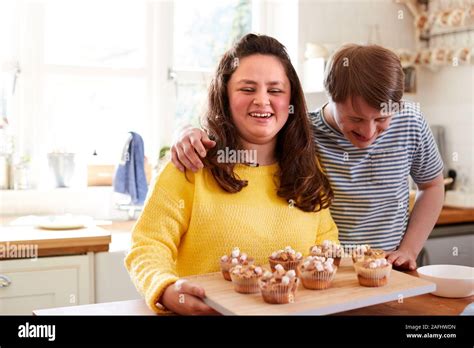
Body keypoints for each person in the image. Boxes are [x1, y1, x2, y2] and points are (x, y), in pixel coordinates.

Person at [171, 44, 445, 271]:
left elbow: (432, 186)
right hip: (324, 273)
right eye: (355, 119)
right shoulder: (303, 132)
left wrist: (409, 249)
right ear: (331, 98)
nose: (369, 131)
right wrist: (188, 131)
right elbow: (247, 137)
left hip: (390, 268)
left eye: (382, 118)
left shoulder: (410, 122)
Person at [125, 34, 338, 315]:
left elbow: (327, 246)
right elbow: (147, 245)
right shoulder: (190, 165)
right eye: (247, 89)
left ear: (291, 101)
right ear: (225, 96)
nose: (262, 101)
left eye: (275, 91)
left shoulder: (308, 172)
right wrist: (166, 289)